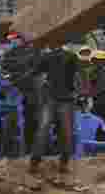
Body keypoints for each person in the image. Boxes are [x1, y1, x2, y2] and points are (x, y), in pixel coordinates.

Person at [29, 46, 80, 175]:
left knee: (44, 129)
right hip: (63, 99)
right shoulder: (69, 56)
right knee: (65, 131)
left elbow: (35, 73)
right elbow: (79, 76)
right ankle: (62, 163)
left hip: (54, 98)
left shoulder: (48, 56)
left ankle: (35, 162)